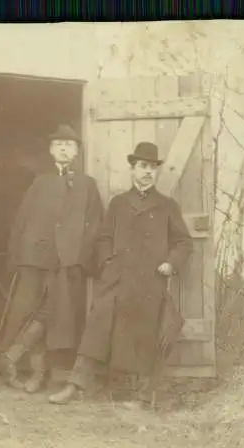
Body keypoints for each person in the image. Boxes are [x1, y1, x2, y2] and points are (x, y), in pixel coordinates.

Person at [48, 141, 193, 408]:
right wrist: (106, 263)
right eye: (142, 166)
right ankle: (76, 384)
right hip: (117, 279)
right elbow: (103, 237)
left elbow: (184, 242)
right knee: (97, 327)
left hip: (149, 282)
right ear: (133, 169)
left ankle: (140, 396)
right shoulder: (119, 203)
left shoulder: (166, 206)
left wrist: (170, 263)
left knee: (145, 335)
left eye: (152, 168)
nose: (148, 172)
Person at [0, 124, 104, 394]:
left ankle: (25, 362)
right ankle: (36, 372)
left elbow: (95, 226)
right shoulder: (40, 183)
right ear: (50, 150)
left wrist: (82, 259)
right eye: (58, 145)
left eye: (69, 145)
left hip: (69, 263)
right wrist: (18, 256)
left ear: (77, 151)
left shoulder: (87, 185)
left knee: (60, 317)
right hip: (36, 259)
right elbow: (22, 220)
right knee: (33, 311)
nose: (63, 149)